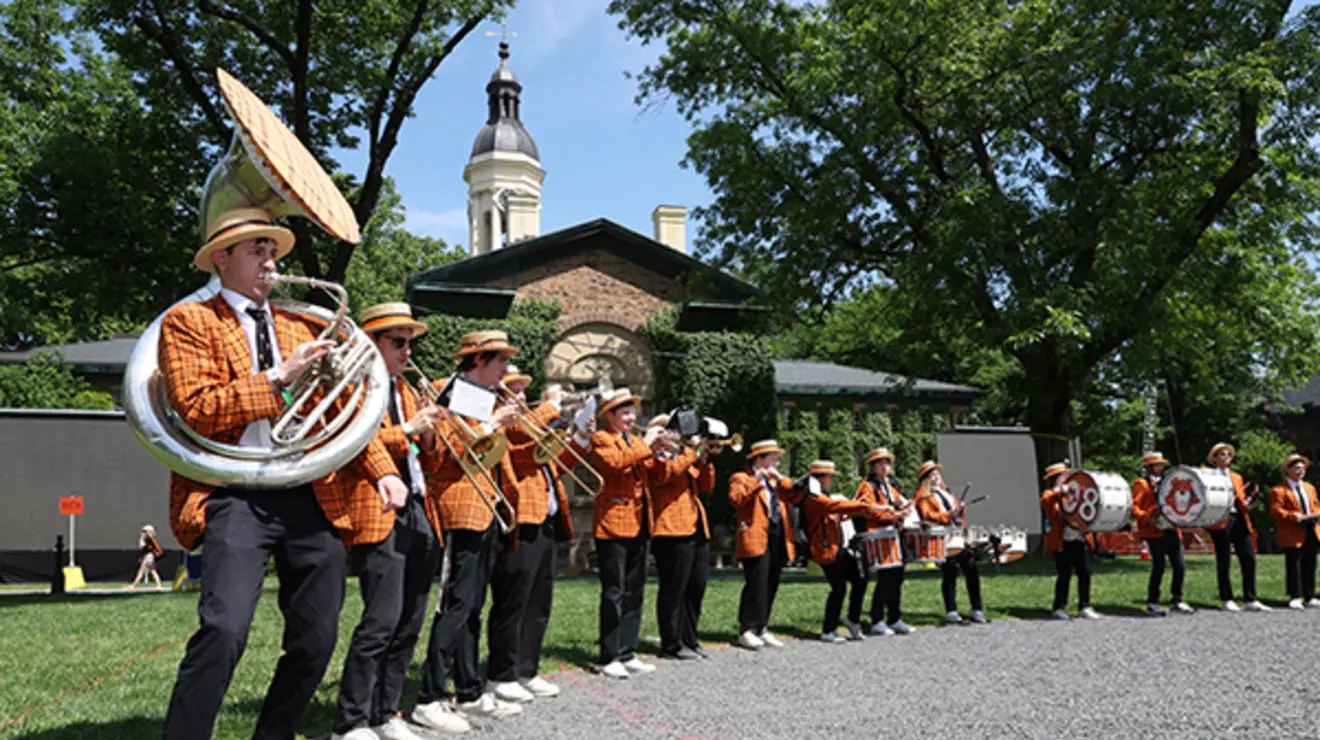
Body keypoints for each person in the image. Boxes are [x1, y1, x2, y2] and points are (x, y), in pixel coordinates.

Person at [159, 207, 409, 740]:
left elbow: (342, 411)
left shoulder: (300, 323)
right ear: (221, 260)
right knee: (224, 630)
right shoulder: (190, 321)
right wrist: (279, 376)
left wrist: (383, 470)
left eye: (273, 251)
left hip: (306, 492)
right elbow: (198, 407)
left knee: (318, 639)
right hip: (233, 492)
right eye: (256, 250)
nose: (270, 262)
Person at [327, 303, 447, 740]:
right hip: (376, 507)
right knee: (380, 620)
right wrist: (411, 429)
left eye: (410, 342)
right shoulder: (355, 387)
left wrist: (431, 431)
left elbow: (428, 459)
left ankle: (386, 712)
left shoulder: (410, 393)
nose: (407, 351)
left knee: (411, 619)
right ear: (373, 344)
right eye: (398, 342)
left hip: (417, 506)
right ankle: (352, 721)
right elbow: (354, 440)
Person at [414, 331, 525, 727]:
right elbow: (441, 456)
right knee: (455, 605)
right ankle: (430, 695)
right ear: (479, 361)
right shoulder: (445, 392)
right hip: (458, 509)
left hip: (486, 507)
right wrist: (493, 423)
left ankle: (469, 689)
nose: (506, 372)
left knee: (473, 606)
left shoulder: (485, 398)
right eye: (501, 363)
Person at [485, 368, 590, 702]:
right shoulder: (506, 423)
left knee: (538, 602)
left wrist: (582, 438)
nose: (520, 397)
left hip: (545, 520)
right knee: (512, 601)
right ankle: (501, 674)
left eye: (521, 392)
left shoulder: (532, 425)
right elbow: (520, 437)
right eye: (514, 391)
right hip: (520, 519)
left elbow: (557, 462)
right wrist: (553, 405)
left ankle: (527, 670)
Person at [591, 388, 666, 678]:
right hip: (613, 524)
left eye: (632, 412)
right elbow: (614, 464)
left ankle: (627, 651)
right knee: (614, 591)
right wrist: (647, 444)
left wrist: (660, 451)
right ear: (610, 416)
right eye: (623, 413)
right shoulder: (602, 438)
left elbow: (654, 474)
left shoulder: (635, 441)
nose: (630, 417)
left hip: (640, 521)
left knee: (635, 591)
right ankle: (609, 655)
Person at [647, 414, 716, 660]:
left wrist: (705, 461)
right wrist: (691, 453)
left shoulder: (683, 457)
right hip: (670, 530)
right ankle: (671, 643)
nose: (678, 436)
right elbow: (666, 476)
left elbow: (706, 486)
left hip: (696, 527)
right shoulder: (655, 458)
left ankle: (689, 638)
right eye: (671, 430)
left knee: (696, 586)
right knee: (673, 589)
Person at [798, 460, 883, 642]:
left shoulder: (822, 494)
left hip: (837, 547)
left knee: (860, 579)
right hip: (825, 550)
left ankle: (852, 620)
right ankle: (828, 630)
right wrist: (866, 506)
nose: (832, 480)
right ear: (821, 478)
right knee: (839, 588)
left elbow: (834, 514)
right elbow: (831, 507)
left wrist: (855, 508)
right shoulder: (813, 497)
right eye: (830, 477)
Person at [729, 439, 802, 650]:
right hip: (755, 537)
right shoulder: (742, 478)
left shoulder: (775, 482)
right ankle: (745, 629)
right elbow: (736, 499)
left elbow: (796, 494)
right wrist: (756, 481)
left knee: (771, 583)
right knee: (756, 584)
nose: (777, 463)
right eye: (773, 458)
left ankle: (762, 626)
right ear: (760, 459)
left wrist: (780, 479)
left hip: (777, 536)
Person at [853, 448, 916, 635]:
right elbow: (870, 510)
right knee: (886, 578)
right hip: (878, 535)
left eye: (887, 462)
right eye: (880, 463)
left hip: (893, 534)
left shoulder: (890, 485)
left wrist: (904, 507)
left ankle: (895, 618)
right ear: (872, 466)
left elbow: (896, 503)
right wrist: (894, 514)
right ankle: (877, 619)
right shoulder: (867, 486)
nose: (885, 466)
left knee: (897, 577)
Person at [914, 462, 986, 625]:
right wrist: (948, 514)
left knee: (972, 568)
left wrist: (960, 508)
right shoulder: (923, 496)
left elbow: (957, 513)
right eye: (932, 475)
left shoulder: (947, 493)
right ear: (925, 480)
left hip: (958, 534)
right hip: (942, 537)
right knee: (950, 571)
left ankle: (977, 607)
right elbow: (927, 515)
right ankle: (951, 610)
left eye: (937, 474)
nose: (936, 477)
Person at [1205, 442, 1268, 612]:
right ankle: (1227, 598)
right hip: (1220, 519)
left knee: (1248, 557)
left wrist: (1251, 500)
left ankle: (1250, 598)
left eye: (1229, 455)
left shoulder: (1237, 477)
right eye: (1222, 454)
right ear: (1214, 458)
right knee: (1224, 559)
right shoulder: (1208, 475)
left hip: (1239, 518)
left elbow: (1241, 501)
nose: (1226, 458)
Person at [1130, 451, 1194, 616]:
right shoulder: (1141, 484)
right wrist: (1147, 518)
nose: (1161, 467)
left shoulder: (1169, 482)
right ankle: (1153, 601)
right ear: (1149, 467)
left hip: (1171, 529)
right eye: (1157, 464)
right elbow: (1133, 507)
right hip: (1154, 531)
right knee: (1159, 566)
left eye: (1161, 464)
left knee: (1179, 565)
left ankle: (1177, 600)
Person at [1040, 461, 1098, 620]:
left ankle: (1084, 606)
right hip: (1061, 541)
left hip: (1078, 538)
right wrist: (1059, 492)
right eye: (1063, 476)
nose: (1066, 478)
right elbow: (1046, 502)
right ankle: (1059, 607)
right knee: (1064, 574)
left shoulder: (1074, 492)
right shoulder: (1049, 494)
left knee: (1085, 572)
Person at [1269, 453, 1320, 610]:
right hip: (1293, 531)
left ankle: (1309, 595)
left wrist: (1316, 514)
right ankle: (1295, 596)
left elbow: (1315, 504)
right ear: (1288, 470)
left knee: (1310, 563)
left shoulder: (1309, 487)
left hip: (1311, 529)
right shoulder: (1279, 490)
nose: (1300, 471)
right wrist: (1296, 516)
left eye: (1302, 468)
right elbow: (1276, 511)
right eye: (1297, 468)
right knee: (1294, 564)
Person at [128, 524, 165, 592]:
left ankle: (133, 586)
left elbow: (142, 546)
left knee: (141, 572)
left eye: (144, 531)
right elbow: (147, 549)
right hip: (151, 557)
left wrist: (141, 538)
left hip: (148, 557)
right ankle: (159, 586)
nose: (143, 533)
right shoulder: (152, 539)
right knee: (153, 571)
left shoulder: (148, 539)